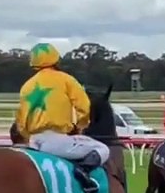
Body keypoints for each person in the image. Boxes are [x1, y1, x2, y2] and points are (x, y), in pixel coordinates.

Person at [15, 42, 110, 176]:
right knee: (102, 149)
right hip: (57, 141)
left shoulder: (26, 86)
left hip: (33, 142)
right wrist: (79, 127)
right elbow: (84, 108)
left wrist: (28, 135)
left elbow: (20, 121)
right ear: (56, 58)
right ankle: (82, 174)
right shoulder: (67, 80)